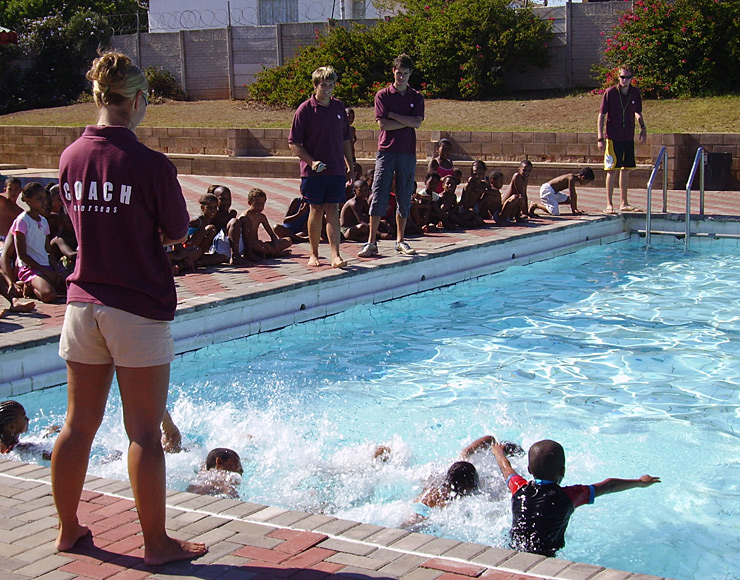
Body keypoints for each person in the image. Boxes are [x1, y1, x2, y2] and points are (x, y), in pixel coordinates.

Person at [52, 50, 207, 565]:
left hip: (81, 303)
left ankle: (68, 528)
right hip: (135, 305)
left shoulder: (70, 157)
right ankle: (156, 542)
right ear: (137, 100)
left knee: (77, 425)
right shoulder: (150, 164)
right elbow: (179, 231)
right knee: (143, 432)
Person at [492, 439, 660, 557]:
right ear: (563, 471)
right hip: (545, 557)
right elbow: (609, 485)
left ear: (529, 469)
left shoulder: (519, 488)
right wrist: (639, 482)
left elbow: (506, 467)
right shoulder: (570, 496)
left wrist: (498, 451)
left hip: (514, 551)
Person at [359, 53, 425, 258]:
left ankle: (400, 240)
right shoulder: (383, 95)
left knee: (404, 195)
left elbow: (417, 123)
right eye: (398, 73)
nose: (401, 77)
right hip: (387, 151)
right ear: (393, 73)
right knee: (379, 193)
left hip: (407, 152)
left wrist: (395, 116)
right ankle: (371, 242)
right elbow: (383, 124)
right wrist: (407, 121)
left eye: (405, 73)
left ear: (410, 73)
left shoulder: (416, 97)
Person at [288, 66, 352, 268]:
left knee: (332, 209)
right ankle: (314, 254)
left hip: (335, 170)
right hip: (313, 172)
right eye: (323, 85)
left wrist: (350, 164)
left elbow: (345, 139)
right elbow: (294, 144)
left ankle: (335, 255)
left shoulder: (338, 107)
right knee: (315, 210)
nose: (327, 89)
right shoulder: (305, 110)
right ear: (315, 85)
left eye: (331, 85)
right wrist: (311, 162)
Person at [597, 65, 646, 214]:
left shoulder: (635, 93)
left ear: (632, 78)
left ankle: (624, 203)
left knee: (626, 170)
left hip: (628, 137)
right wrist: (600, 138)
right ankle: (609, 204)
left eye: (628, 77)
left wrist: (643, 128)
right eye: (622, 77)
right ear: (618, 78)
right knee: (612, 170)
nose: (625, 80)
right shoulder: (610, 93)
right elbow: (601, 115)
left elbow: (637, 112)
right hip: (613, 137)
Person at [10, 182, 64, 303]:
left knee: (67, 285)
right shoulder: (22, 221)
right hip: (30, 268)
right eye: (39, 199)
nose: (44, 202)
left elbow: (48, 250)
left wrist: (54, 269)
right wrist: (45, 271)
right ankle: (29, 286)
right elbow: (22, 255)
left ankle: (36, 283)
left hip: (45, 265)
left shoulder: (43, 221)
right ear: (28, 200)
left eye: (45, 198)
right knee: (49, 295)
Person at [241, 187, 292, 259]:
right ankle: (275, 253)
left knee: (288, 240)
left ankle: (268, 253)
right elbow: (244, 239)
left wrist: (276, 244)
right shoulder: (245, 217)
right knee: (256, 245)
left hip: (261, 244)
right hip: (250, 246)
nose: (260, 207)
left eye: (262, 204)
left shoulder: (261, 217)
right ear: (250, 203)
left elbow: (271, 234)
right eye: (257, 204)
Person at [528, 168, 594, 217]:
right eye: (587, 181)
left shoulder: (573, 178)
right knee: (555, 212)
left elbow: (572, 198)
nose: (587, 183)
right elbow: (572, 194)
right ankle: (535, 205)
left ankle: (549, 203)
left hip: (553, 193)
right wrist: (574, 211)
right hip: (547, 190)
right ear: (583, 177)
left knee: (569, 200)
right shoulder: (571, 178)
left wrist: (576, 209)